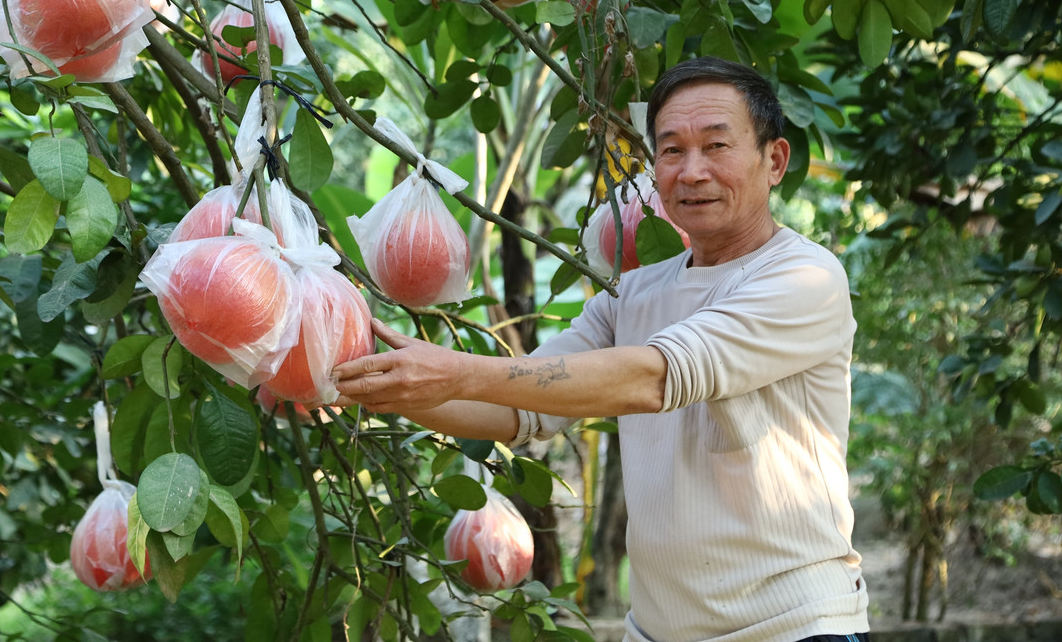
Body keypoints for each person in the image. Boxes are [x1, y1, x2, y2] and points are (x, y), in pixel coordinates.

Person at [333, 56, 870, 642]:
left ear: (775, 161)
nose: (692, 171)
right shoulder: (634, 293)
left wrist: (457, 371)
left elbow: (655, 377)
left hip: (794, 627)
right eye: (671, 150)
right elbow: (518, 406)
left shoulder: (806, 278)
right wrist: (366, 381)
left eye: (716, 146)